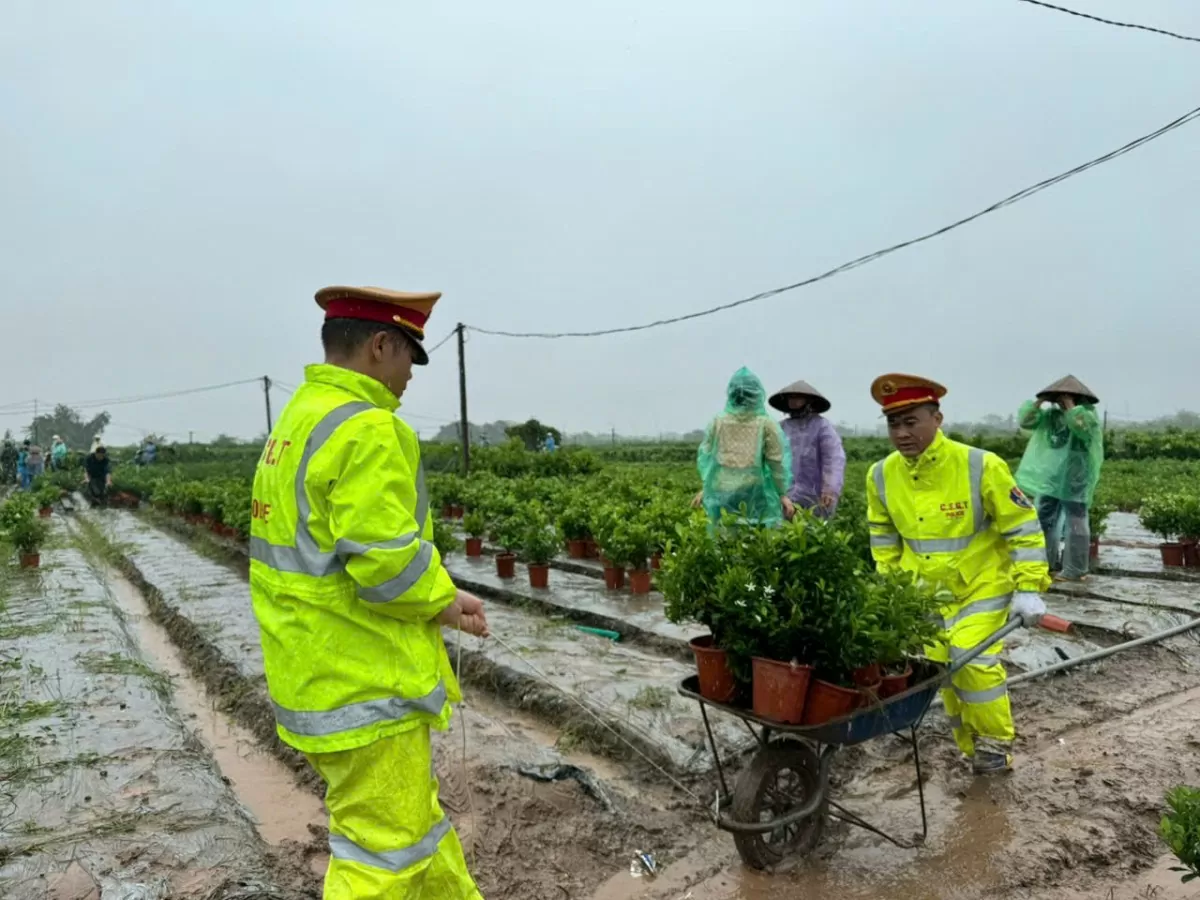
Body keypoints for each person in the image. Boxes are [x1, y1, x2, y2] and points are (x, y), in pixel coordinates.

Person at [249, 285, 487, 900]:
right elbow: (383, 565)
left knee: (412, 830)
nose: (409, 376)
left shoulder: (300, 418)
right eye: (410, 357)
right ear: (381, 346)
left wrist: (442, 598)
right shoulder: (368, 428)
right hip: (366, 680)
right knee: (383, 854)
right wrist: (442, 600)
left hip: (317, 673)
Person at [865, 374, 1050, 775]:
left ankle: (995, 746)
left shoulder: (981, 465)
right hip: (923, 593)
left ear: (937, 418)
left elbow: (1022, 527)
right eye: (893, 424)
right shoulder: (881, 474)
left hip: (981, 585)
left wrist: (1029, 586)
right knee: (939, 670)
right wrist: (890, 587)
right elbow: (882, 536)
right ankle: (970, 746)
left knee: (971, 660)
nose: (901, 433)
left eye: (911, 421)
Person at [1016, 376, 1104, 583]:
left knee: (1076, 520)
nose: (1061, 401)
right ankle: (1045, 563)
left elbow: (1080, 427)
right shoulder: (1051, 416)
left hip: (1075, 477)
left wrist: (1071, 406)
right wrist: (1039, 402)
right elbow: (1026, 421)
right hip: (1051, 477)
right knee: (1043, 518)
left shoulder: (1087, 415)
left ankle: (1075, 569)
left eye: (1067, 396)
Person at [696, 367, 793, 526]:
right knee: (753, 537)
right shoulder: (766, 424)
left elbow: (706, 460)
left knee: (724, 535)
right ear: (757, 395)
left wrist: (707, 489)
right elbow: (776, 463)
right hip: (753, 491)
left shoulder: (718, 422)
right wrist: (781, 493)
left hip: (721, 490)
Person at [769, 379, 846, 518]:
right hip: (785, 495)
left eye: (797, 397)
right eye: (790, 398)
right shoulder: (781, 428)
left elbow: (833, 459)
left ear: (808, 400)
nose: (793, 401)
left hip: (816, 495)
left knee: (814, 532)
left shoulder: (822, 426)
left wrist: (830, 488)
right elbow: (772, 460)